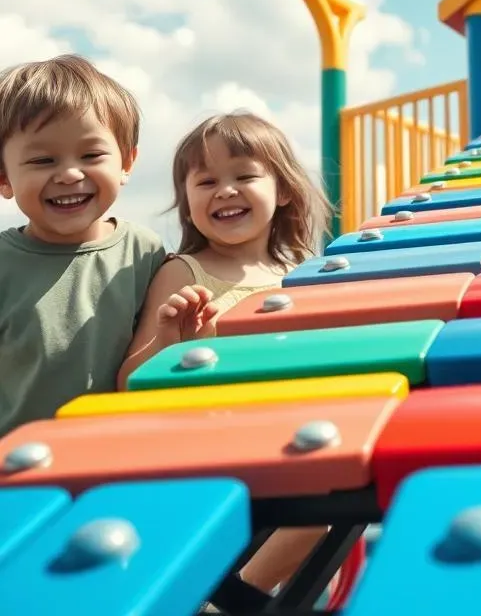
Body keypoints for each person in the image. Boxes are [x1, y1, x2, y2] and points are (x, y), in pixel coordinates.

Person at [118, 110, 335, 599]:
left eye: (244, 175)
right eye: (207, 180)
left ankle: (236, 599)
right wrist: (172, 339)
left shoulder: (307, 271)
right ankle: (225, 601)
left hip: (285, 441)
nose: (225, 190)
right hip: (206, 450)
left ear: (282, 191)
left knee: (327, 508)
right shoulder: (184, 272)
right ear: (186, 201)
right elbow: (130, 382)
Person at [0, 54, 166, 438]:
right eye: (43, 159)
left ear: (126, 163)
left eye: (91, 155)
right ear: (4, 178)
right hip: (18, 471)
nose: (70, 174)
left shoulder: (144, 253)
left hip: (119, 457)